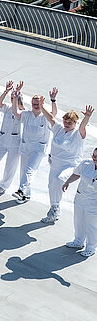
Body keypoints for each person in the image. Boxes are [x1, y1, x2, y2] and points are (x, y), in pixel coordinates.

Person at [41, 91, 91, 223]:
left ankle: (55, 208)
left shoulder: (78, 134)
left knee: (58, 180)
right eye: (65, 121)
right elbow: (51, 118)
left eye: (70, 122)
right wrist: (41, 107)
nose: (67, 123)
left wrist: (87, 117)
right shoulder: (58, 128)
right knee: (52, 186)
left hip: (71, 165)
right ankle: (54, 210)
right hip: (55, 164)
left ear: (75, 123)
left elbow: (83, 126)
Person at [13, 93, 52, 203]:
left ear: (42, 104)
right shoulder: (26, 114)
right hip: (26, 146)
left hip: (38, 149)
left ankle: (21, 190)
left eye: (38, 104)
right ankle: (26, 195)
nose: (36, 106)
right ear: (31, 104)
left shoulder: (45, 116)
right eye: (34, 104)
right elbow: (15, 112)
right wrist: (15, 99)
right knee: (24, 171)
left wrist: (53, 100)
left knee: (29, 169)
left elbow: (54, 114)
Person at [62, 147, 97, 258]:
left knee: (91, 226)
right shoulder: (86, 163)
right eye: (93, 155)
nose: (94, 158)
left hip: (93, 203)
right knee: (78, 221)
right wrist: (67, 182)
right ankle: (78, 241)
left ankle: (91, 248)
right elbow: (77, 174)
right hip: (80, 198)